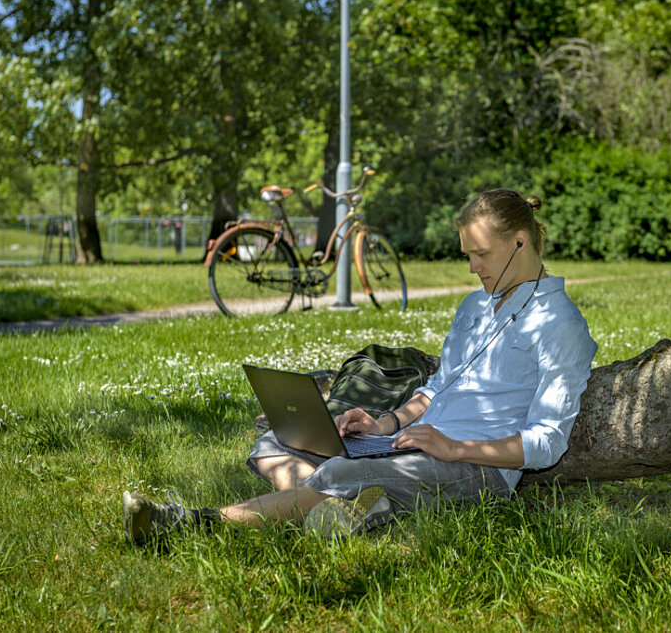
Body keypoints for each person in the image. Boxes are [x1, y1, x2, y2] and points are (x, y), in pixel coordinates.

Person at [123, 188, 598, 544]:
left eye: (480, 255)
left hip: (475, 468)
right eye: (467, 256)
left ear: (519, 242)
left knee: (339, 474)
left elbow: (548, 441)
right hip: (409, 444)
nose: (473, 268)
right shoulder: (475, 307)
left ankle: (189, 525)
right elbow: (435, 389)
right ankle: (345, 507)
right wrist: (383, 421)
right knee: (274, 441)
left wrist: (455, 447)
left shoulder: (560, 324)